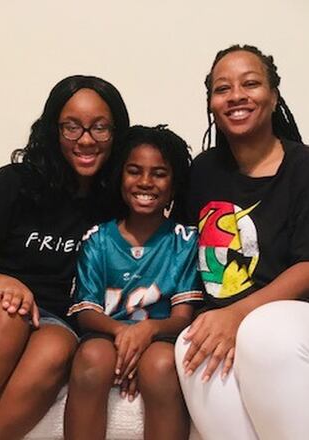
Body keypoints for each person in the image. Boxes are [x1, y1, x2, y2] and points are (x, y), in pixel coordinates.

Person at [174, 44, 309, 440]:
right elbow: (183, 253)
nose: (236, 95)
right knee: (189, 344)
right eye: (222, 88)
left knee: (263, 331)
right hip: (240, 327)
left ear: (273, 95)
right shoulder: (201, 172)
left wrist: (238, 315)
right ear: (211, 103)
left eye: (250, 83)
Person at [0, 75, 130, 440]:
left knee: (58, 347)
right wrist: (4, 282)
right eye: (72, 127)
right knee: (8, 319)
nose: (85, 140)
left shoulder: (121, 201)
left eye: (100, 128)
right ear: (53, 130)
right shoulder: (17, 181)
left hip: (54, 322)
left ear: (115, 134)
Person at [64, 125, 203, 440]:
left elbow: (182, 318)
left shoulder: (185, 241)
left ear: (174, 184)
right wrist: (125, 334)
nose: (145, 182)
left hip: (160, 337)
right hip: (107, 334)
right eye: (134, 171)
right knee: (92, 358)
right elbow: (86, 312)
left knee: (161, 365)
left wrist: (147, 331)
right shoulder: (98, 239)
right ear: (119, 177)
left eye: (159, 174)